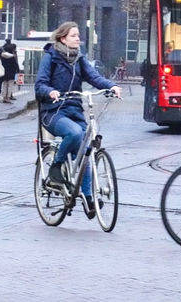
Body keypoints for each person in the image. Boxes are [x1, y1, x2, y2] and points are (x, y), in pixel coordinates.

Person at [35, 21, 122, 219]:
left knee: (85, 152)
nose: (78, 39)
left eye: (78, 35)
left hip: (74, 110)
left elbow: (94, 77)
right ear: (62, 38)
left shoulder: (79, 59)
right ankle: (56, 168)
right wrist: (51, 92)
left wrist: (112, 86)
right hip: (53, 111)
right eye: (74, 35)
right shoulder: (51, 57)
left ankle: (88, 197)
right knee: (74, 133)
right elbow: (40, 84)